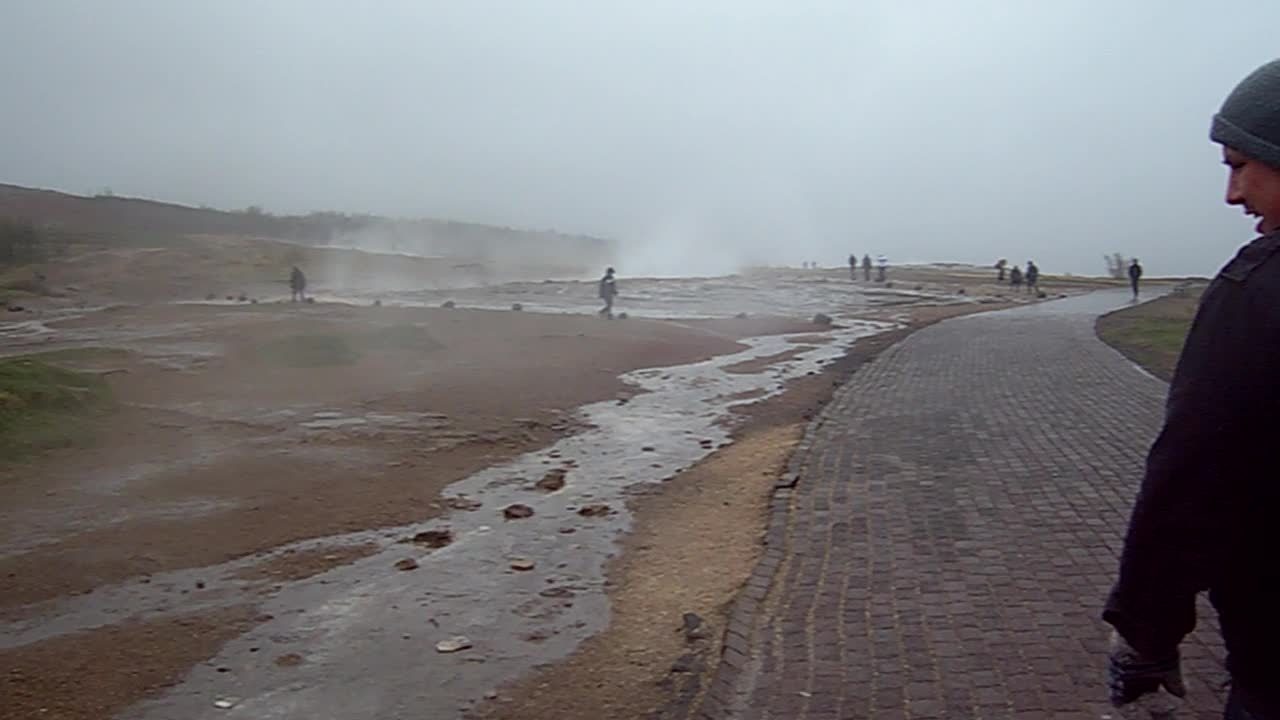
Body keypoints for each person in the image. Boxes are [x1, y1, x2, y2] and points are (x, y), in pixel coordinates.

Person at [1104, 58, 1280, 719]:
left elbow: (1194, 470)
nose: (1233, 194)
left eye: (1241, 164)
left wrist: (1146, 635)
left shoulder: (1258, 290)